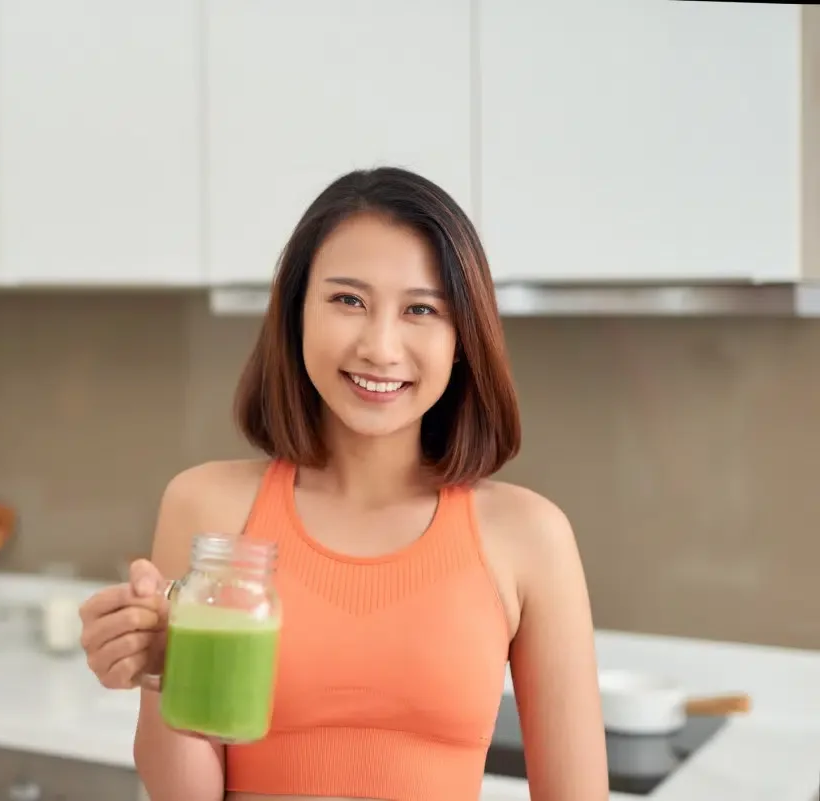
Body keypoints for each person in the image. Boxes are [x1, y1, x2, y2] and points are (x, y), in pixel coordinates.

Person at [77, 166, 609, 801]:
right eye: (348, 300)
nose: (380, 347)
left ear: (463, 338)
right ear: (296, 312)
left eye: (421, 309)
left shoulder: (530, 536)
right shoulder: (208, 508)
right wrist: (162, 674)